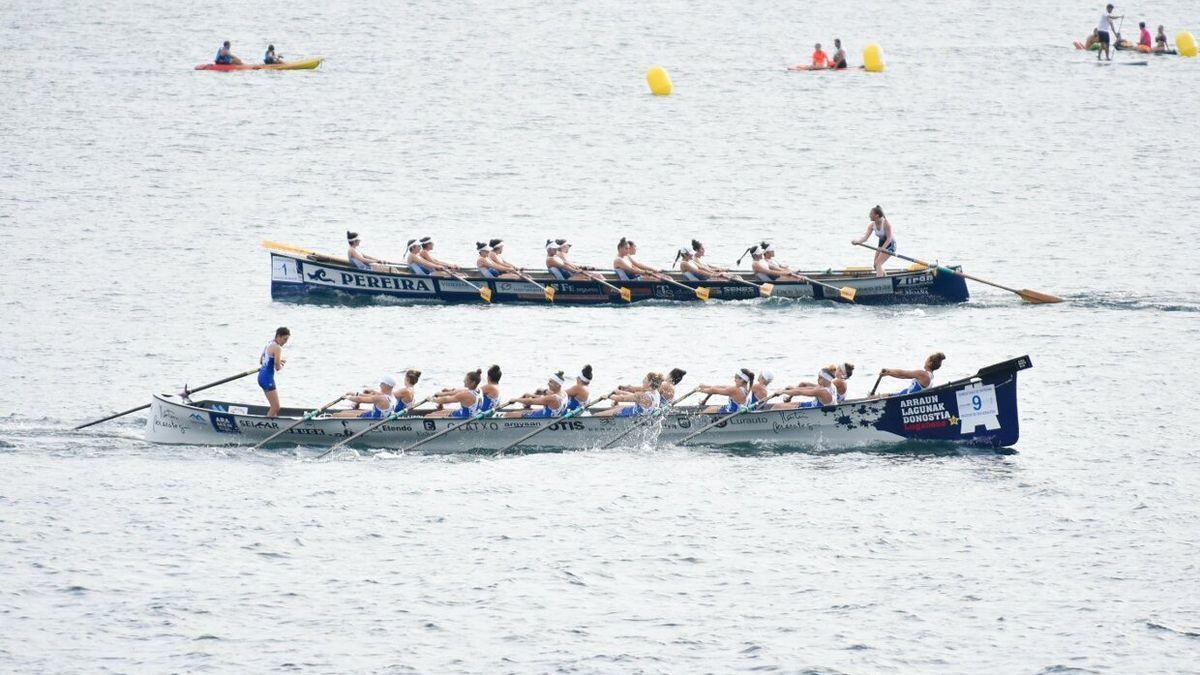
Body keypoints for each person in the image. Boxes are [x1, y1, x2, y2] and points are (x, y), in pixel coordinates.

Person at [851, 205, 896, 278]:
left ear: (877, 215)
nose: (869, 215)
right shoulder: (872, 225)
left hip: (890, 245)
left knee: (878, 264)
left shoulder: (886, 224)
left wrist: (883, 249)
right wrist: (857, 242)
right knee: (875, 265)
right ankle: (885, 279)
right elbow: (865, 238)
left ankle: (879, 281)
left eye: (871, 214)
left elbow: (889, 238)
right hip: (881, 245)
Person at [877, 352, 946, 396]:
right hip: (902, 394)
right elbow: (903, 376)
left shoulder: (923, 374)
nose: (925, 361)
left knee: (872, 398)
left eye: (926, 360)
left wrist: (888, 371)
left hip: (902, 397)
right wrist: (888, 374)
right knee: (877, 396)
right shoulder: (931, 377)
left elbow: (902, 373)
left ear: (929, 363)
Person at [595, 372, 663, 417]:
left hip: (634, 415)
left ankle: (594, 417)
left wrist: (608, 396)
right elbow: (632, 394)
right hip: (641, 413)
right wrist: (620, 391)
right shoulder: (656, 392)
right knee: (616, 407)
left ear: (650, 382)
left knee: (599, 414)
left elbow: (622, 399)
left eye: (645, 378)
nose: (643, 380)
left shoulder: (642, 396)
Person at [258, 327, 289, 417]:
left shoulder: (269, 343)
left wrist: (278, 361)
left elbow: (261, 361)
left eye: (287, 339)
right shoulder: (277, 347)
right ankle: (265, 426)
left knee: (274, 406)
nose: (285, 342)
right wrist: (281, 364)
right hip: (267, 379)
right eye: (285, 339)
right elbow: (277, 367)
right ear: (278, 336)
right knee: (276, 407)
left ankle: (273, 424)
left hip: (261, 377)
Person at [773, 368, 839, 408]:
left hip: (814, 410)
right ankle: (788, 399)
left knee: (777, 406)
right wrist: (793, 389)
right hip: (813, 405)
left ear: (826, 379)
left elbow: (800, 392)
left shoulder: (823, 391)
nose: (818, 379)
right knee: (803, 384)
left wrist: (782, 392)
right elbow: (805, 387)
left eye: (820, 377)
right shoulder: (831, 385)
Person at [740, 244, 804, 282]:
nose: (762, 254)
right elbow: (770, 272)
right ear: (755, 255)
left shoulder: (762, 261)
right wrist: (785, 273)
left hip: (774, 279)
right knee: (795, 279)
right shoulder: (755, 264)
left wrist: (790, 271)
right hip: (770, 282)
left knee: (797, 277)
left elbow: (775, 268)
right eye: (760, 253)